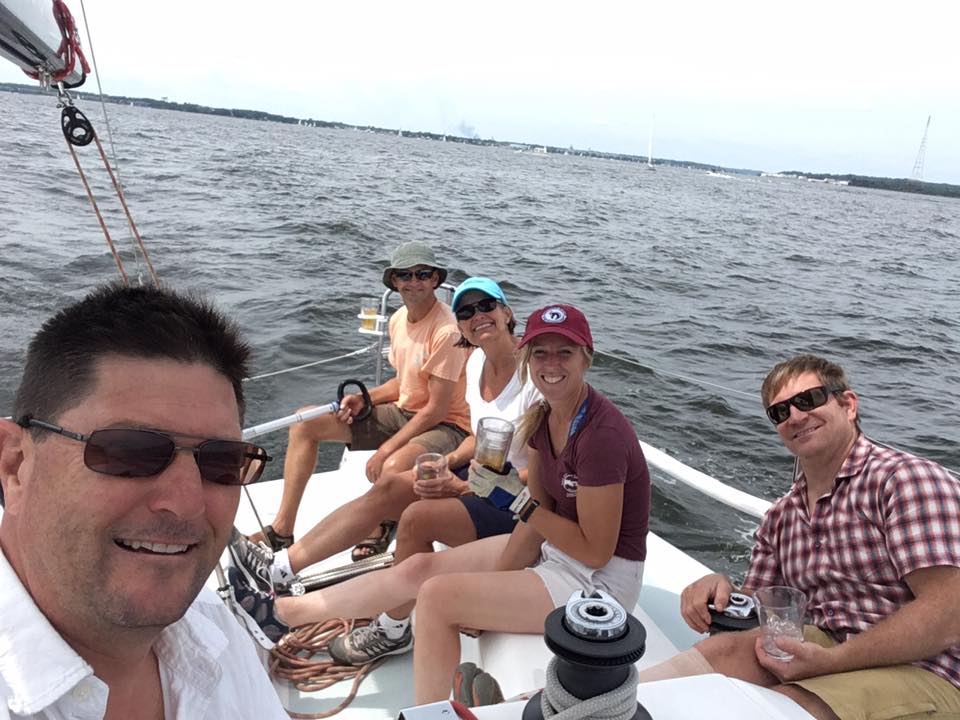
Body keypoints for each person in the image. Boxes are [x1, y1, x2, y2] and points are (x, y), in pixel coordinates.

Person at [0, 284, 288, 719]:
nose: (186, 503)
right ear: (15, 464)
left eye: (222, 461)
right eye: (129, 451)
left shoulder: (213, 630)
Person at [228, 278, 543, 663]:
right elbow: (479, 437)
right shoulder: (476, 363)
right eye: (466, 312)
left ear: (507, 312)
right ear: (461, 326)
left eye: (486, 306)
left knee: (415, 518)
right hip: (481, 476)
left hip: (515, 499)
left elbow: (547, 477)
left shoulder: (534, 380)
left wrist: (464, 488)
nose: (477, 316)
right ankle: (280, 567)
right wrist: (449, 462)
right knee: (390, 488)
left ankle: (393, 631)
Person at [641, 355, 960, 720]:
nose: (794, 416)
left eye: (808, 400)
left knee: (787, 704)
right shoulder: (781, 516)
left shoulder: (903, 481)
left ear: (848, 405)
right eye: (779, 412)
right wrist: (720, 586)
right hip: (830, 647)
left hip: (930, 669)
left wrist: (832, 662)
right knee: (724, 652)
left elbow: (950, 615)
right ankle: (610, 709)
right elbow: (758, 605)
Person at [240, 240, 471, 582]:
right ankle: (282, 529)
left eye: (423, 273)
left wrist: (387, 449)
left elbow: (436, 409)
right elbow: (403, 384)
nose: (414, 281)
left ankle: (380, 526)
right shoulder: (398, 320)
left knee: (392, 465)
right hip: (406, 412)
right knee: (307, 422)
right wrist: (366, 398)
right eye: (404, 275)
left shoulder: (447, 331)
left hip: (448, 426)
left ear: (436, 279)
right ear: (394, 282)